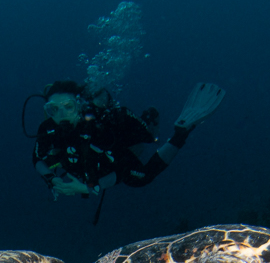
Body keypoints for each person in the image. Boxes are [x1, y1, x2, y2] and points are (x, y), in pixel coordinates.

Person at [33, 81, 224, 198]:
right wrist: (51, 180)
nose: (61, 115)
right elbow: (38, 159)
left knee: (141, 176)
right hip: (87, 163)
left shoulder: (97, 128)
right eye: (53, 109)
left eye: (68, 106)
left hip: (117, 150)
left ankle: (180, 131)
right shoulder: (48, 128)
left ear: (79, 106)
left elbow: (120, 170)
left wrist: (86, 188)